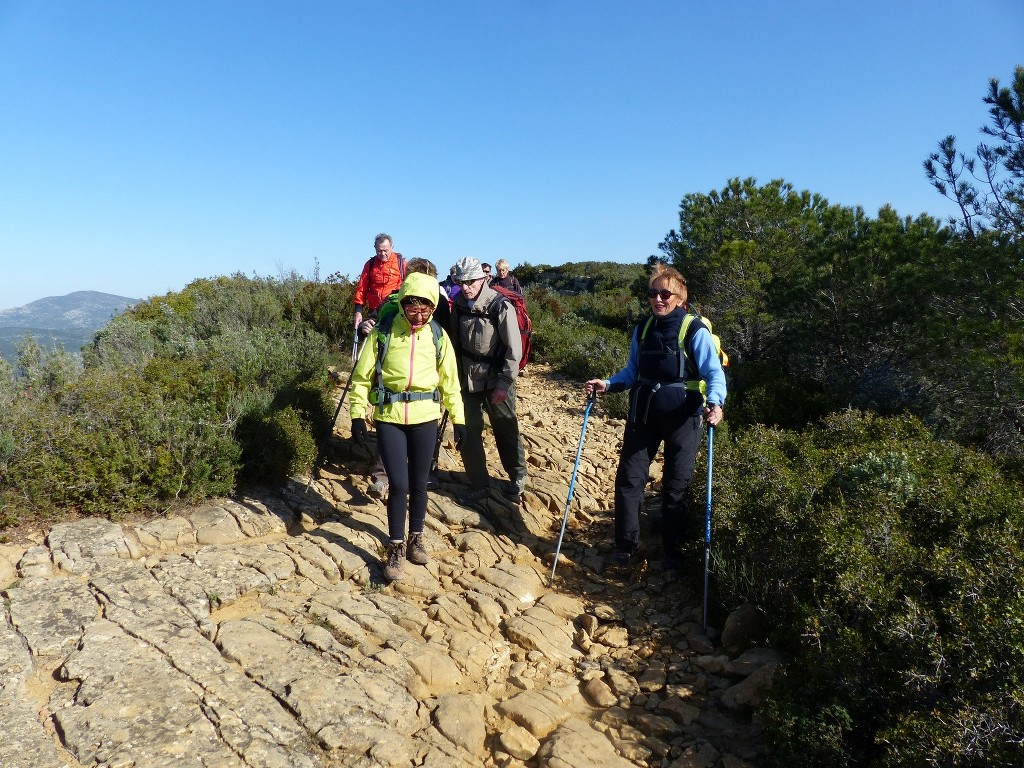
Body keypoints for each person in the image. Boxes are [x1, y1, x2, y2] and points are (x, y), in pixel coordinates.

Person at [584, 263, 726, 570]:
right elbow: (631, 372)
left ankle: (673, 554)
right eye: (653, 293)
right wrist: (607, 384)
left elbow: (714, 373)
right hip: (643, 415)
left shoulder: (694, 330)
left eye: (665, 293)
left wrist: (715, 403)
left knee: (675, 487)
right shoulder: (643, 328)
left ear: (679, 298)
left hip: (683, 418)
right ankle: (626, 546)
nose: (658, 299)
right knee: (629, 480)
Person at [349, 272, 465, 582]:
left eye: (426, 309)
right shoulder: (383, 333)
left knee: (419, 483)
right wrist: (358, 413)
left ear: (433, 307)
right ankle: (396, 546)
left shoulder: (438, 336)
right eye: (413, 308)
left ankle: (416, 539)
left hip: (425, 417)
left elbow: (450, 382)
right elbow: (362, 376)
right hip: (389, 418)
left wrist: (459, 419)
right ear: (403, 303)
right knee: (398, 485)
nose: (419, 315)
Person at [359, 258, 450, 499]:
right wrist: (367, 326)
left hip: (424, 374)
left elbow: (446, 335)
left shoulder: (431, 302)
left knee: (415, 422)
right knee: (394, 418)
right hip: (399, 370)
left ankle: (389, 476)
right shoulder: (396, 300)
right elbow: (375, 319)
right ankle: (419, 473)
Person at [448, 256, 527, 504]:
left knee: (505, 428)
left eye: (470, 281)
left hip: (496, 380)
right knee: (468, 432)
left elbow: (514, 350)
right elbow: (453, 343)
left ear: (482, 278)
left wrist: (504, 383)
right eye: (461, 282)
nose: (466, 287)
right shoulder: (459, 304)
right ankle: (479, 483)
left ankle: (517, 478)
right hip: (467, 382)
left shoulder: (500, 305)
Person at [352, 233, 406, 333]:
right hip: (374, 312)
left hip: (394, 311)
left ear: (392, 247)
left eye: (385, 250)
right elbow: (362, 288)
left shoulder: (402, 264)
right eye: (379, 251)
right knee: (370, 338)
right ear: (375, 248)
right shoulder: (370, 264)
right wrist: (358, 311)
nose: (382, 254)